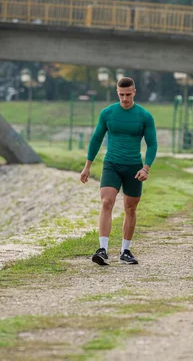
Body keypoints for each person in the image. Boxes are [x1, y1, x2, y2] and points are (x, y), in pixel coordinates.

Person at [81, 76, 158, 266]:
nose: (125, 99)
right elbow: (96, 139)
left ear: (134, 92)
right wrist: (87, 166)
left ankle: (125, 251)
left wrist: (146, 168)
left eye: (128, 95)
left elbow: (152, 144)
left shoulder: (144, 116)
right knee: (107, 202)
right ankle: (103, 249)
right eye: (121, 95)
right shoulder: (107, 113)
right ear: (117, 93)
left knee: (130, 208)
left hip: (133, 167)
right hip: (112, 164)